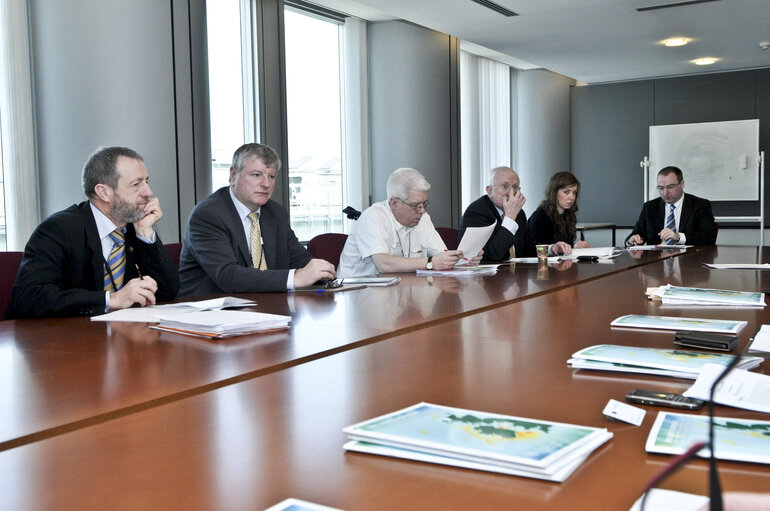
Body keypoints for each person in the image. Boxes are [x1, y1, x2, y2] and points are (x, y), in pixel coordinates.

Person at [6, 146, 179, 319]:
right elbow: (29, 297)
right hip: (57, 338)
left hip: (117, 337)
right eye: (136, 184)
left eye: (147, 181)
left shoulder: (135, 227)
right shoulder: (59, 229)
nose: (148, 192)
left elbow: (167, 292)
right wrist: (111, 300)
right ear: (103, 192)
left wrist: (145, 233)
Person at [178, 143, 336, 296]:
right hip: (209, 312)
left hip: (264, 308)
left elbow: (297, 258)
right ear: (233, 175)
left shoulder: (275, 212)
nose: (266, 184)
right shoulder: (208, 214)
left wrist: (320, 272)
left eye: (272, 176)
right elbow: (228, 276)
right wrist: (295, 278)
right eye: (256, 175)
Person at [337, 168, 481, 277]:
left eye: (424, 204)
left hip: (401, 291)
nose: (422, 210)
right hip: (357, 296)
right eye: (415, 205)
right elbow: (383, 264)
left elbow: (440, 254)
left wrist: (463, 259)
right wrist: (430, 263)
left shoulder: (423, 218)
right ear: (394, 203)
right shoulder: (372, 217)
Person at [459, 166, 571, 262]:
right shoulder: (477, 212)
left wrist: (552, 249)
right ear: (489, 191)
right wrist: (510, 218)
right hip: (488, 281)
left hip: (516, 277)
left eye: (515, 187)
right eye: (504, 186)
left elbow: (529, 249)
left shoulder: (519, 213)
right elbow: (491, 255)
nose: (511, 192)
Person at [626, 166, 717, 246]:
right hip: (656, 261)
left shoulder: (700, 205)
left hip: (688, 259)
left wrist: (678, 237)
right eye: (661, 188)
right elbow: (637, 233)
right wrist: (632, 240)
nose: (665, 193)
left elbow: (709, 237)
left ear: (682, 184)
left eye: (670, 187)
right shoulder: (650, 207)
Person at [528, 172, 591, 249]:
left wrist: (574, 246)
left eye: (574, 192)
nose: (572, 197)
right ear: (554, 193)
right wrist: (571, 246)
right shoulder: (540, 216)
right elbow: (534, 249)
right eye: (566, 192)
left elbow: (566, 245)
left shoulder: (569, 214)